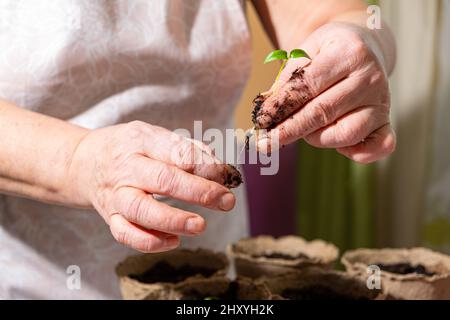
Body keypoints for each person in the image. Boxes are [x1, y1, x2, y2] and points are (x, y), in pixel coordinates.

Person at [0, 0, 396, 299]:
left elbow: (331, 13)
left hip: (205, 268)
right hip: (32, 278)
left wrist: (363, 42)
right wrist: (77, 160)